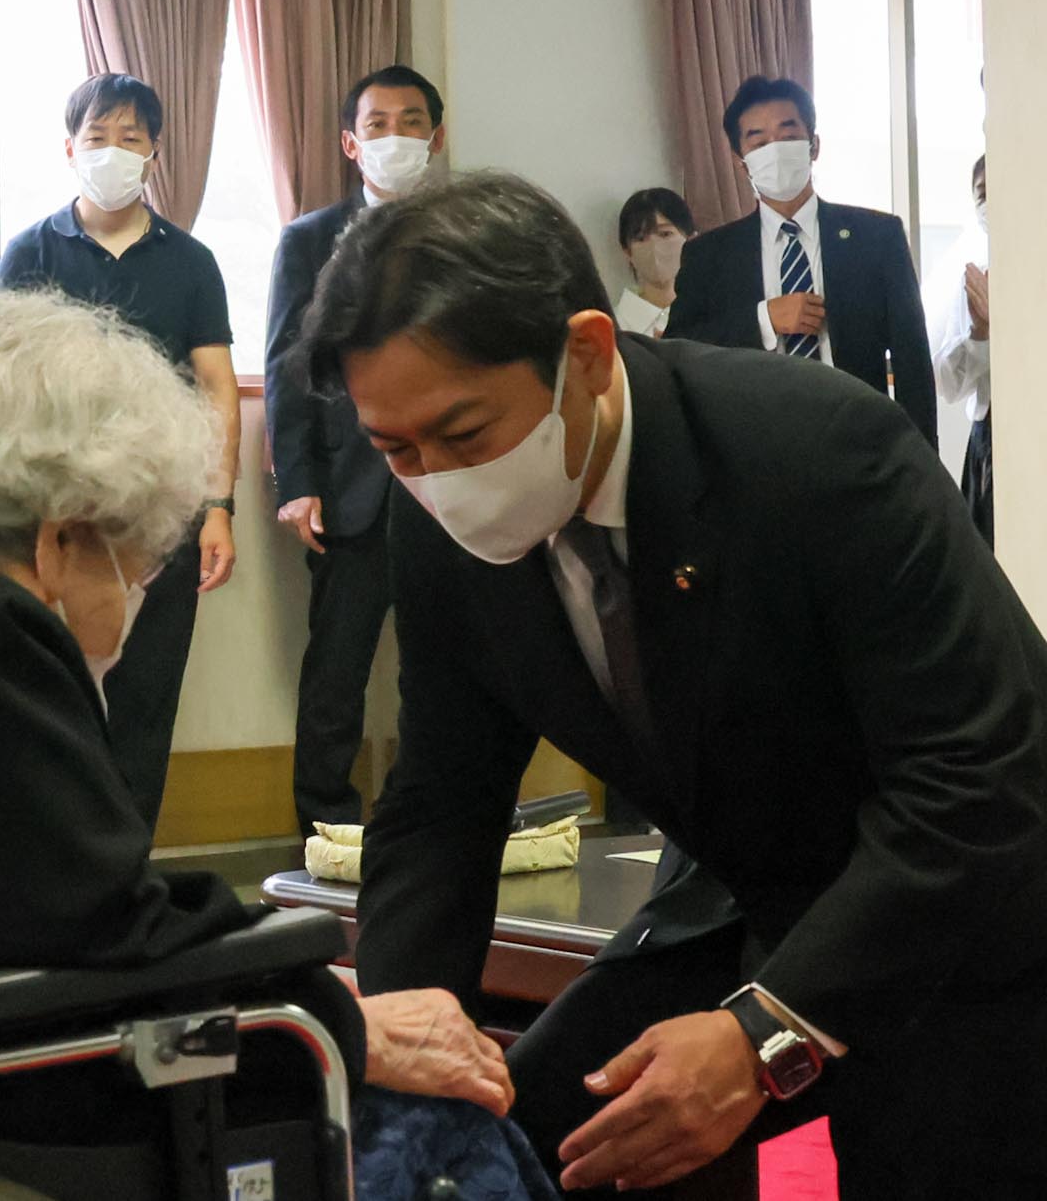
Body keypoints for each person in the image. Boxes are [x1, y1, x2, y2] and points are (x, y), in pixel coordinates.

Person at [0, 287, 539, 1192]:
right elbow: (108, 939)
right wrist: (336, 1018)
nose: (134, 607)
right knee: (441, 1120)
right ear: (60, 541)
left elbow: (41, 903)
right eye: (138, 569)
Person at [301, 172, 1047, 1199]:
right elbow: (440, 803)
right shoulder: (434, 519)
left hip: (972, 914)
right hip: (743, 892)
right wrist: (405, 1037)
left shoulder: (815, 448)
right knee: (542, 1142)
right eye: (395, 449)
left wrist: (763, 1036)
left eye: (464, 436)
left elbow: (976, 784)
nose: (437, 480)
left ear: (585, 353)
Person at [0, 72, 236, 828]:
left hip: (164, 513)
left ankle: (129, 864)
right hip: (55, 513)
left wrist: (218, 506)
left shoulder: (192, 261)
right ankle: (58, 856)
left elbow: (217, 388)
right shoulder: (29, 252)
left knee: (146, 702)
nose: (112, 151)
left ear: (154, 151)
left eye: (130, 138)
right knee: (49, 696)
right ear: (70, 149)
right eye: (97, 136)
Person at [263, 64, 444, 834]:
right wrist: (297, 482)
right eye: (378, 125)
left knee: (446, 668)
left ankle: (431, 820)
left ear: (436, 138)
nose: (394, 137)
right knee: (336, 671)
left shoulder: (467, 234)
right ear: (350, 142)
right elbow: (288, 365)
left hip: (450, 484)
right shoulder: (308, 241)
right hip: (349, 486)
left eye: (411, 122)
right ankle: (323, 830)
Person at [668, 74, 937, 445]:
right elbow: (680, 349)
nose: (775, 150)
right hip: (754, 450)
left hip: (858, 442)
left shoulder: (877, 237)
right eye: (758, 142)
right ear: (741, 162)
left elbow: (912, 359)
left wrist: (921, 461)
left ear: (814, 145)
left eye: (788, 134)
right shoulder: (709, 254)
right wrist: (763, 319)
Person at [934, 153, 991, 545]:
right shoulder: (974, 276)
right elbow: (950, 384)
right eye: (982, 194)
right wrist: (981, 331)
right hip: (991, 438)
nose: (990, 202)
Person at [614, 188, 696, 337]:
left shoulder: (712, 313)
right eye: (640, 238)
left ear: (691, 241)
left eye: (665, 234)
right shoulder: (613, 326)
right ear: (627, 252)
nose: (654, 246)